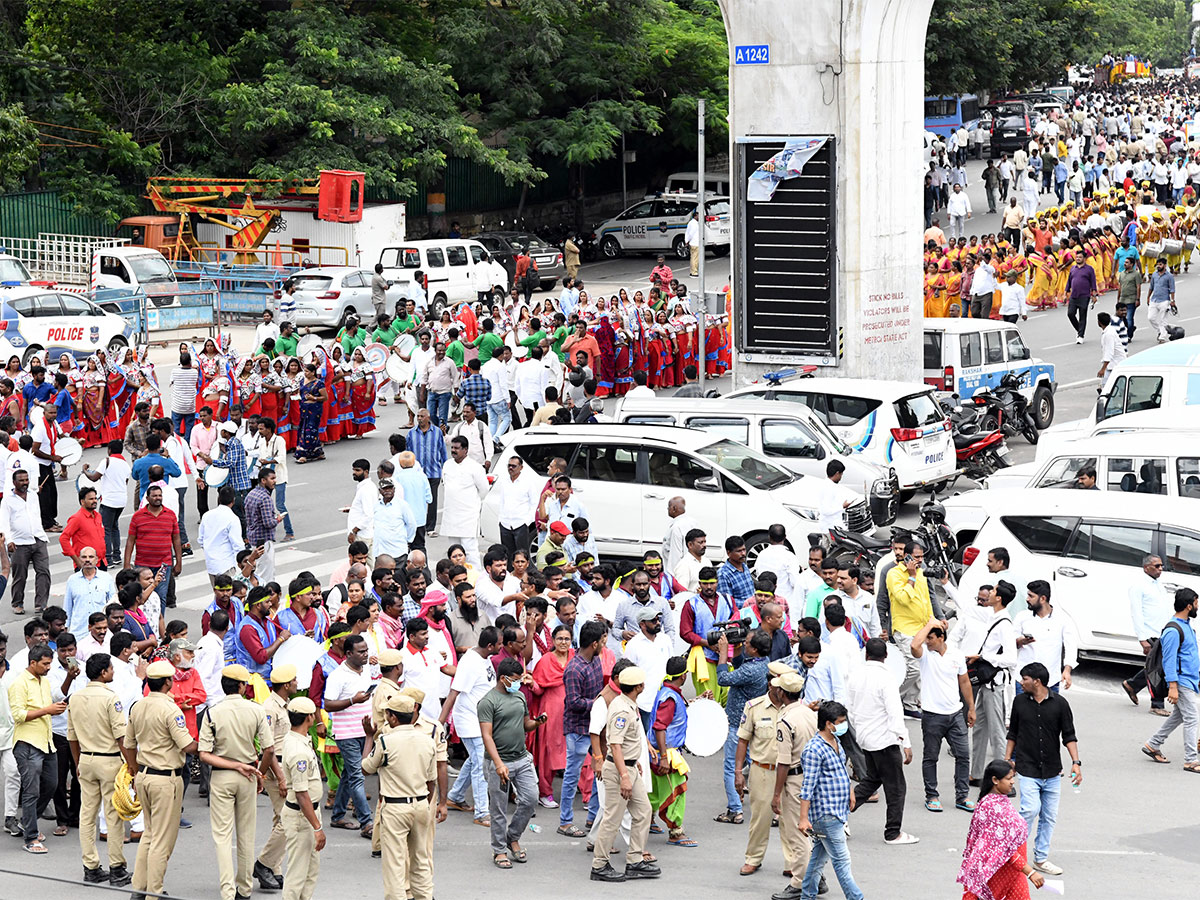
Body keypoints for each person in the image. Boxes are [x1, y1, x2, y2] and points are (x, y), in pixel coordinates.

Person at [199, 663, 279, 900]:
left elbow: (204, 753)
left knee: (222, 837)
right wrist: (259, 774)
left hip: (222, 776)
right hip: (248, 776)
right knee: (246, 835)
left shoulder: (213, 712)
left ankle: (227, 891)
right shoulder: (255, 710)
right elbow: (269, 749)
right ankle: (244, 889)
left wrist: (233, 765)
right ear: (242, 686)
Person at [121, 659, 198, 899]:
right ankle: (154, 892)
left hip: (144, 775)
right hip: (166, 778)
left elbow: (128, 744)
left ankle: (139, 887)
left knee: (149, 835)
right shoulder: (170, 709)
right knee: (162, 841)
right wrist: (206, 744)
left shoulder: (138, 706)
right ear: (168, 682)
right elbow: (187, 745)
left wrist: (133, 770)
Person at [1005, 661, 1081, 877]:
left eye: (1025, 679)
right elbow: (1013, 733)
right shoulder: (1019, 702)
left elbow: (1069, 736)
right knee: (1029, 810)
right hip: (1027, 768)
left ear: (1036, 681)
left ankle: (1040, 858)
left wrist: (1076, 762)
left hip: (1052, 771)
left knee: (1049, 816)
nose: (1021, 682)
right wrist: (1007, 759)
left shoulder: (1060, 704)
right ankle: (1014, 855)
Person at [362, 693, 437, 900]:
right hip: (421, 803)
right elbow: (431, 781)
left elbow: (366, 768)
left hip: (395, 807)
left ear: (393, 718)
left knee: (395, 864)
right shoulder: (427, 741)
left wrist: (369, 737)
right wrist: (423, 802)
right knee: (420, 860)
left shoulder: (386, 741)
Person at [589, 666, 660, 883]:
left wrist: (633, 764)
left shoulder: (627, 703)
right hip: (620, 770)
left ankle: (635, 859)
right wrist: (625, 776)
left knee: (643, 810)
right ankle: (599, 864)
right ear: (638, 687)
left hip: (629, 766)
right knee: (613, 818)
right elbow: (616, 745)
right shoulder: (622, 710)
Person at [67, 652, 131, 884]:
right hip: (109, 760)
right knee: (113, 815)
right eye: (111, 668)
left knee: (88, 814)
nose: (113, 671)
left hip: (86, 759)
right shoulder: (110, 698)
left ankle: (91, 866)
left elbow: (71, 737)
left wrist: (78, 764)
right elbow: (121, 737)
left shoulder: (75, 697)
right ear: (103, 673)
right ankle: (116, 867)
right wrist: (132, 766)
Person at [846, 637, 917, 844]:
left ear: (866, 654)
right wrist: (906, 742)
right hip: (885, 741)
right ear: (886, 657)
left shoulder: (855, 675)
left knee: (872, 780)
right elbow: (895, 713)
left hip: (865, 738)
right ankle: (893, 833)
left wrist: (861, 729)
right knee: (896, 788)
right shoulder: (887, 679)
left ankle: (838, 816)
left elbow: (850, 708)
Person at [793, 701, 865, 900]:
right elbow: (807, 787)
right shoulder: (814, 750)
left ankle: (807, 896)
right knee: (842, 861)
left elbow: (841, 769)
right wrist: (803, 818)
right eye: (840, 722)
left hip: (837, 810)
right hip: (826, 814)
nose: (843, 725)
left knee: (817, 859)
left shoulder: (835, 741)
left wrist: (850, 791)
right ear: (828, 723)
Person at [479, 657, 546, 868]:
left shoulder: (519, 696)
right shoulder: (488, 702)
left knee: (530, 799)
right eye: (515, 680)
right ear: (503, 679)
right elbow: (487, 736)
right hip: (498, 763)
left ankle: (512, 836)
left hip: (521, 758)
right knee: (498, 809)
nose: (519, 683)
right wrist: (498, 764)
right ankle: (499, 850)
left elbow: (525, 724)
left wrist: (537, 722)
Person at [911, 616, 975, 812]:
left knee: (963, 755)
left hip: (955, 713)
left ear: (941, 638)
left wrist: (971, 708)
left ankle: (962, 796)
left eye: (931, 638)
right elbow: (914, 645)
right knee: (931, 757)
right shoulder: (925, 656)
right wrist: (929, 624)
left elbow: (964, 682)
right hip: (932, 715)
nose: (927, 641)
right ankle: (932, 795)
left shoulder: (956, 655)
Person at [957, 759, 1045, 900]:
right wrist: (1030, 872)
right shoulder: (992, 808)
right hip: (998, 872)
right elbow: (1004, 849)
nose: (1012, 782)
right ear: (995, 780)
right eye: (1009, 778)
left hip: (1014, 873)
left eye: (1013, 778)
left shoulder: (998, 801)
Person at [957, 582, 1018, 784]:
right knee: (981, 727)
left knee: (997, 731)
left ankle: (1004, 779)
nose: (989, 593)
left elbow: (1010, 658)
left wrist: (985, 657)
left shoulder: (1005, 624)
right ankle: (976, 773)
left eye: (992, 591)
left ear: (999, 597)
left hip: (995, 684)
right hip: (987, 683)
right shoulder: (994, 616)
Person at [441, 626, 502, 826]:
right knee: (480, 765)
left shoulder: (483, 658)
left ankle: (456, 796)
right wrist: (440, 723)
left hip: (482, 719)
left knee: (474, 760)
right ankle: (482, 812)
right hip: (470, 720)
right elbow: (453, 692)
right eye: (500, 644)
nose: (502, 647)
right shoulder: (470, 662)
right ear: (490, 645)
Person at [8, 643, 63, 854]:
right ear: (33, 663)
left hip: (46, 742)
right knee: (31, 791)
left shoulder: (44, 682)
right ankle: (31, 837)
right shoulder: (19, 684)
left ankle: (27, 821)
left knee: (51, 784)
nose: (49, 667)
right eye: (45, 664)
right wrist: (48, 710)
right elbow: (19, 715)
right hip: (27, 744)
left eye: (50, 663)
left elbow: (45, 708)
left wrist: (52, 710)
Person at [713, 629, 769, 826]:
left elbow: (723, 679)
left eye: (746, 643)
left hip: (739, 724)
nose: (743, 644)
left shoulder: (751, 670)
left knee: (731, 767)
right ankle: (764, 806)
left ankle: (735, 809)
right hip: (754, 723)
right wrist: (735, 653)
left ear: (754, 649)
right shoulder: (763, 663)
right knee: (754, 765)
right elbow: (739, 669)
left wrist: (722, 653)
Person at [1141, 587, 1199, 771]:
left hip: (1189, 680)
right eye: (1197, 603)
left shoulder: (1186, 626)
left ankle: (1153, 744)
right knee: (1192, 718)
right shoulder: (1173, 630)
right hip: (1181, 682)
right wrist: (1173, 686)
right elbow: (1169, 660)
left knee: (1179, 716)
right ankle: (1191, 759)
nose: (1198, 607)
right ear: (1189, 606)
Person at [556, 620, 605, 835]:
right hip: (578, 729)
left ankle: (592, 816)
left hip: (595, 727)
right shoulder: (574, 669)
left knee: (599, 771)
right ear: (594, 643)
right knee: (572, 775)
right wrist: (598, 703)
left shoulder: (596, 660)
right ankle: (565, 821)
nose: (605, 644)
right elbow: (574, 702)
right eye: (602, 640)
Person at [280, 696, 325, 900]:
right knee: (298, 874)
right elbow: (302, 794)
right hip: (302, 816)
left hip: (307, 813)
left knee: (310, 871)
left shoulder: (297, 739)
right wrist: (317, 827)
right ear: (309, 718)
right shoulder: (299, 751)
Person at [647, 655, 695, 846]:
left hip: (657, 751)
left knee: (655, 790)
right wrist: (665, 757)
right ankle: (675, 831)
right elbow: (660, 726)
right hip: (667, 752)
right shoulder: (670, 697)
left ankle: (647, 820)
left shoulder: (666, 689)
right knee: (677, 790)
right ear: (683, 676)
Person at [886, 540, 934, 717]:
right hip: (904, 628)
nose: (920, 560)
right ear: (906, 557)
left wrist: (933, 621)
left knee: (921, 667)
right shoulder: (894, 574)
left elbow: (926, 600)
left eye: (922, 556)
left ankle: (910, 704)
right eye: (916, 557)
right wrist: (911, 577)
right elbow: (903, 599)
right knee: (912, 667)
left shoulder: (921, 573)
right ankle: (892, 699)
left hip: (921, 628)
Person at [1123, 554, 1172, 714]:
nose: (1160, 569)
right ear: (1146, 567)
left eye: (1161, 566)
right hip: (1150, 633)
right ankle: (1156, 704)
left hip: (1162, 632)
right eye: (1157, 566)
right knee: (1157, 669)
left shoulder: (1158, 585)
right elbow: (1136, 614)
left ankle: (1133, 684)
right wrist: (1142, 639)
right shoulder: (1139, 586)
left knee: (1158, 666)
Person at [1013, 581, 1078, 693]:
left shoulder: (1063, 619)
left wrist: (1067, 670)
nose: (1027, 599)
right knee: (1022, 710)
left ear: (1043, 599)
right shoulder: (1022, 617)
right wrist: (1020, 641)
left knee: (1049, 710)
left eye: (1031, 596)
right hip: (1023, 679)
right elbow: (1009, 643)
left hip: (1050, 680)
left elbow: (1070, 646)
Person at [3, 468, 50, 614]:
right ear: (14, 482)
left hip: (38, 539)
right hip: (19, 543)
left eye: (26, 480)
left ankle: (41, 604)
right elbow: (3, 522)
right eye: (21, 480)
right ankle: (17, 603)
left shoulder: (33, 495)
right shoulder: (7, 500)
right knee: (20, 575)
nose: (25, 483)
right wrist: (8, 541)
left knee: (43, 572)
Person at [441, 436, 489, 567]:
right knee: (454, 551)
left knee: (470, 551)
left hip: (468, 516)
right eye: (452, 447)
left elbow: (484, 489)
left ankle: (476, 579)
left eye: (457, 448)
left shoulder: (475, 467)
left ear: (465, 450)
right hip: (451, 514)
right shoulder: (447, 465)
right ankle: (456, 577)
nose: (453, 450)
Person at [63, 546, 117, 638]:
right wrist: (65, 627)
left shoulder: (106, 578)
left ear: (96, 559)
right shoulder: (72, 580)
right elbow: (68, 606)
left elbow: (113, 604)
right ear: (79, 559)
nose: (87, 560)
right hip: (79, 631)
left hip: (102, 631)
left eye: (91, 557)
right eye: (84, 557)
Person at [60, 486, 108, 569]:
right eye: (91, 499)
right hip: (86, 565)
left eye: (95, 498)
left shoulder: (98, 516)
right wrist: (77, 560)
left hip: (101, 562)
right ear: (82, 501)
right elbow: (63, 538)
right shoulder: (77, 518)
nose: (94, 501)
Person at [1146, 257, 1177, 343]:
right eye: (1158, 264)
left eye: (1160, 264)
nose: (1158, 266)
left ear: (1165, 265)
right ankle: (1161, 331)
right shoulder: (1154, 275)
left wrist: (1172, 301)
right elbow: (1151, 287)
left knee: (1163, 319)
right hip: (1154, 300)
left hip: (1164, 301)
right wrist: (1148, 297)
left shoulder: (1169, 276)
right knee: (1151, 318)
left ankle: (1162, 337)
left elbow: (1172, 289)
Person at [1096, 311, 1126, 379]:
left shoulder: (1109, 334)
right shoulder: (1109, 330)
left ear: (1099, 322)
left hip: (1115, 365)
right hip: (1113, 364)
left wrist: (1103, 369)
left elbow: (1109, 353)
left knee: (1106, 385)